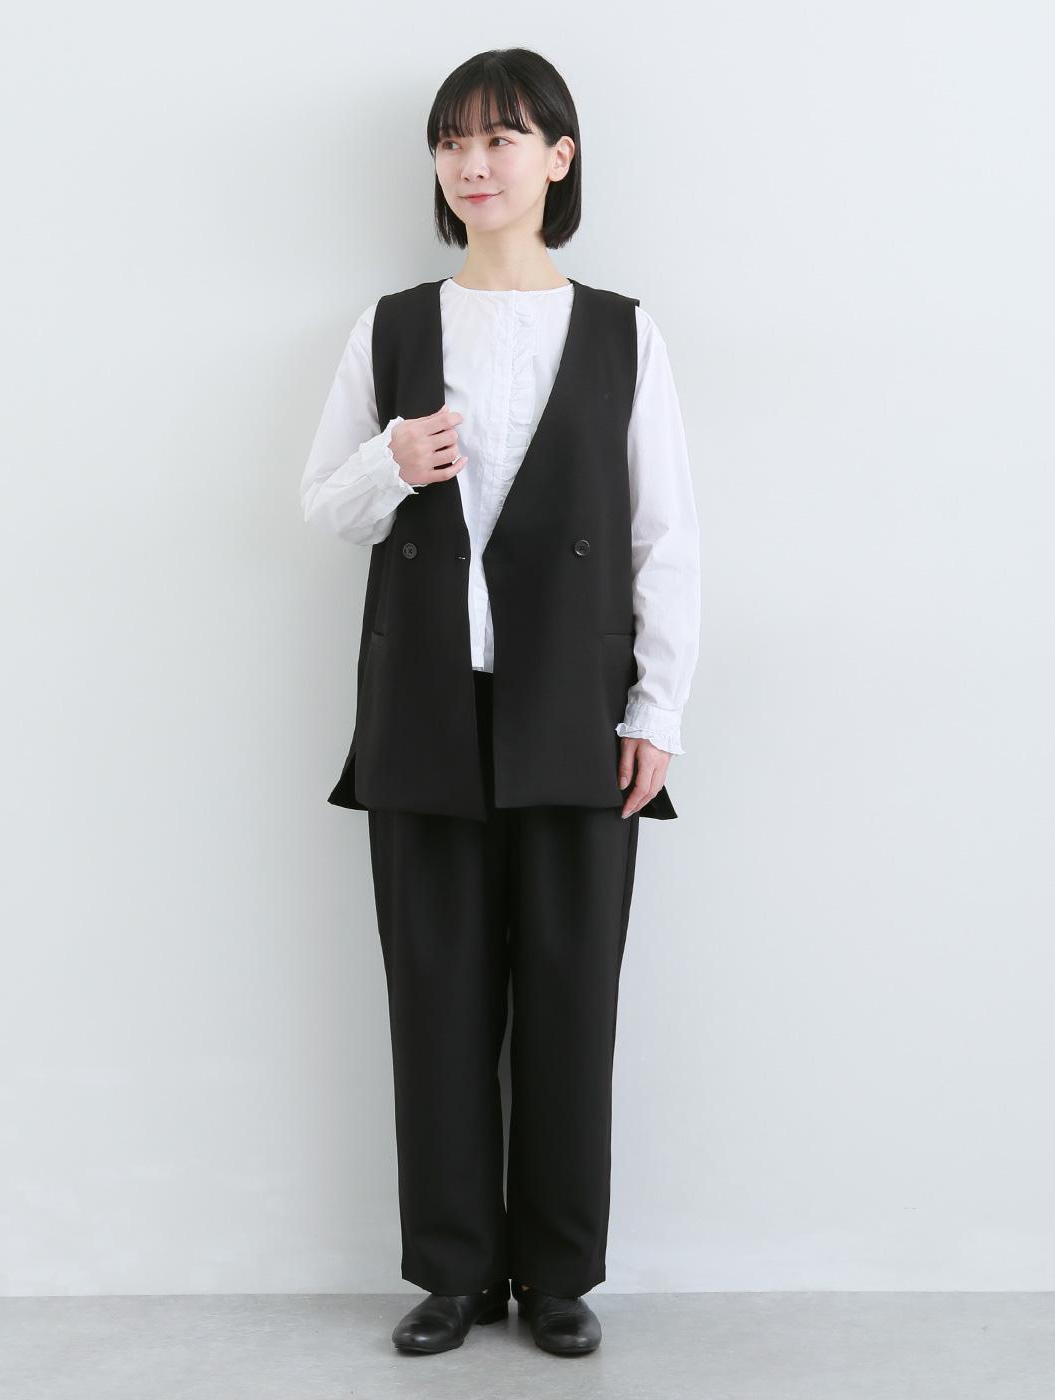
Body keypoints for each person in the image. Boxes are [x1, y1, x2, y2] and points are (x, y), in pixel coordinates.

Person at [300, 47, 700, 1357]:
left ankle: (559, 1275)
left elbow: (665, 537)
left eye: (502, 139)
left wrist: (658, 711)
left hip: (578, 715)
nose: (473, 164)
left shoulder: (626, 331)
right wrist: (392, 460)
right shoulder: (390, 328)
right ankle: (454, 1274)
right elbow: (324, 506)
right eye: (453, 141)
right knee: (436, 998)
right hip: (426, 709)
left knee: (574, 999)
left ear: (558, 158)